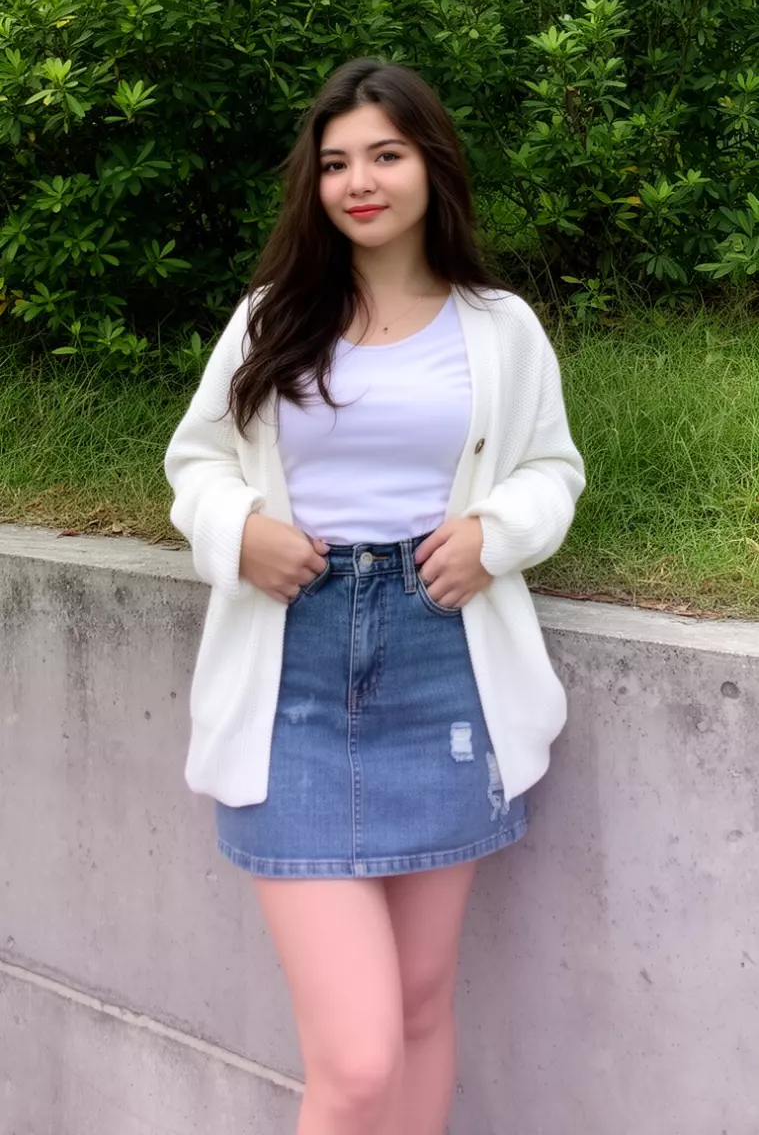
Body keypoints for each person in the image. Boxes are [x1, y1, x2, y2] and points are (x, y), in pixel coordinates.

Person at [163, 56, 586, 1135]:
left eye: (385, 155)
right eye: (336, 161)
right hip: (292, 675)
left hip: (443, 666)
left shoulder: (499, 327)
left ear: (430, 165)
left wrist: (497, 534)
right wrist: (239, 532)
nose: (359, 180)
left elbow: (552, 469)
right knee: (354, 1059)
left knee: (421, 1001)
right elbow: (195, 463)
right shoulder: (272, 316)